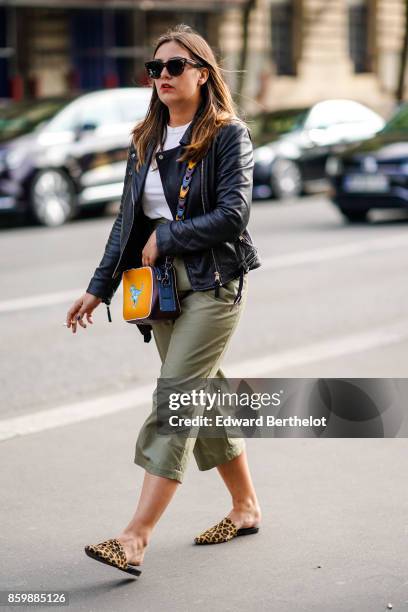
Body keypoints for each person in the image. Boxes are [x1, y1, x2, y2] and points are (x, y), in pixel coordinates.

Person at [65, 24, 262, 576]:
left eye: (176, 66)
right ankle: (246, 507)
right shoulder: (145, 140)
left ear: (203, 72)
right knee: (207, 395)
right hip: (164, 291)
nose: (164, 77)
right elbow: (127, 226)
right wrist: (96, 288)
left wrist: (168, 237)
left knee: (175, 397)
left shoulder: (227, 134)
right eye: (156, 69)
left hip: (215, 283)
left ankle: (135, 537)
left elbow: (234, 213)